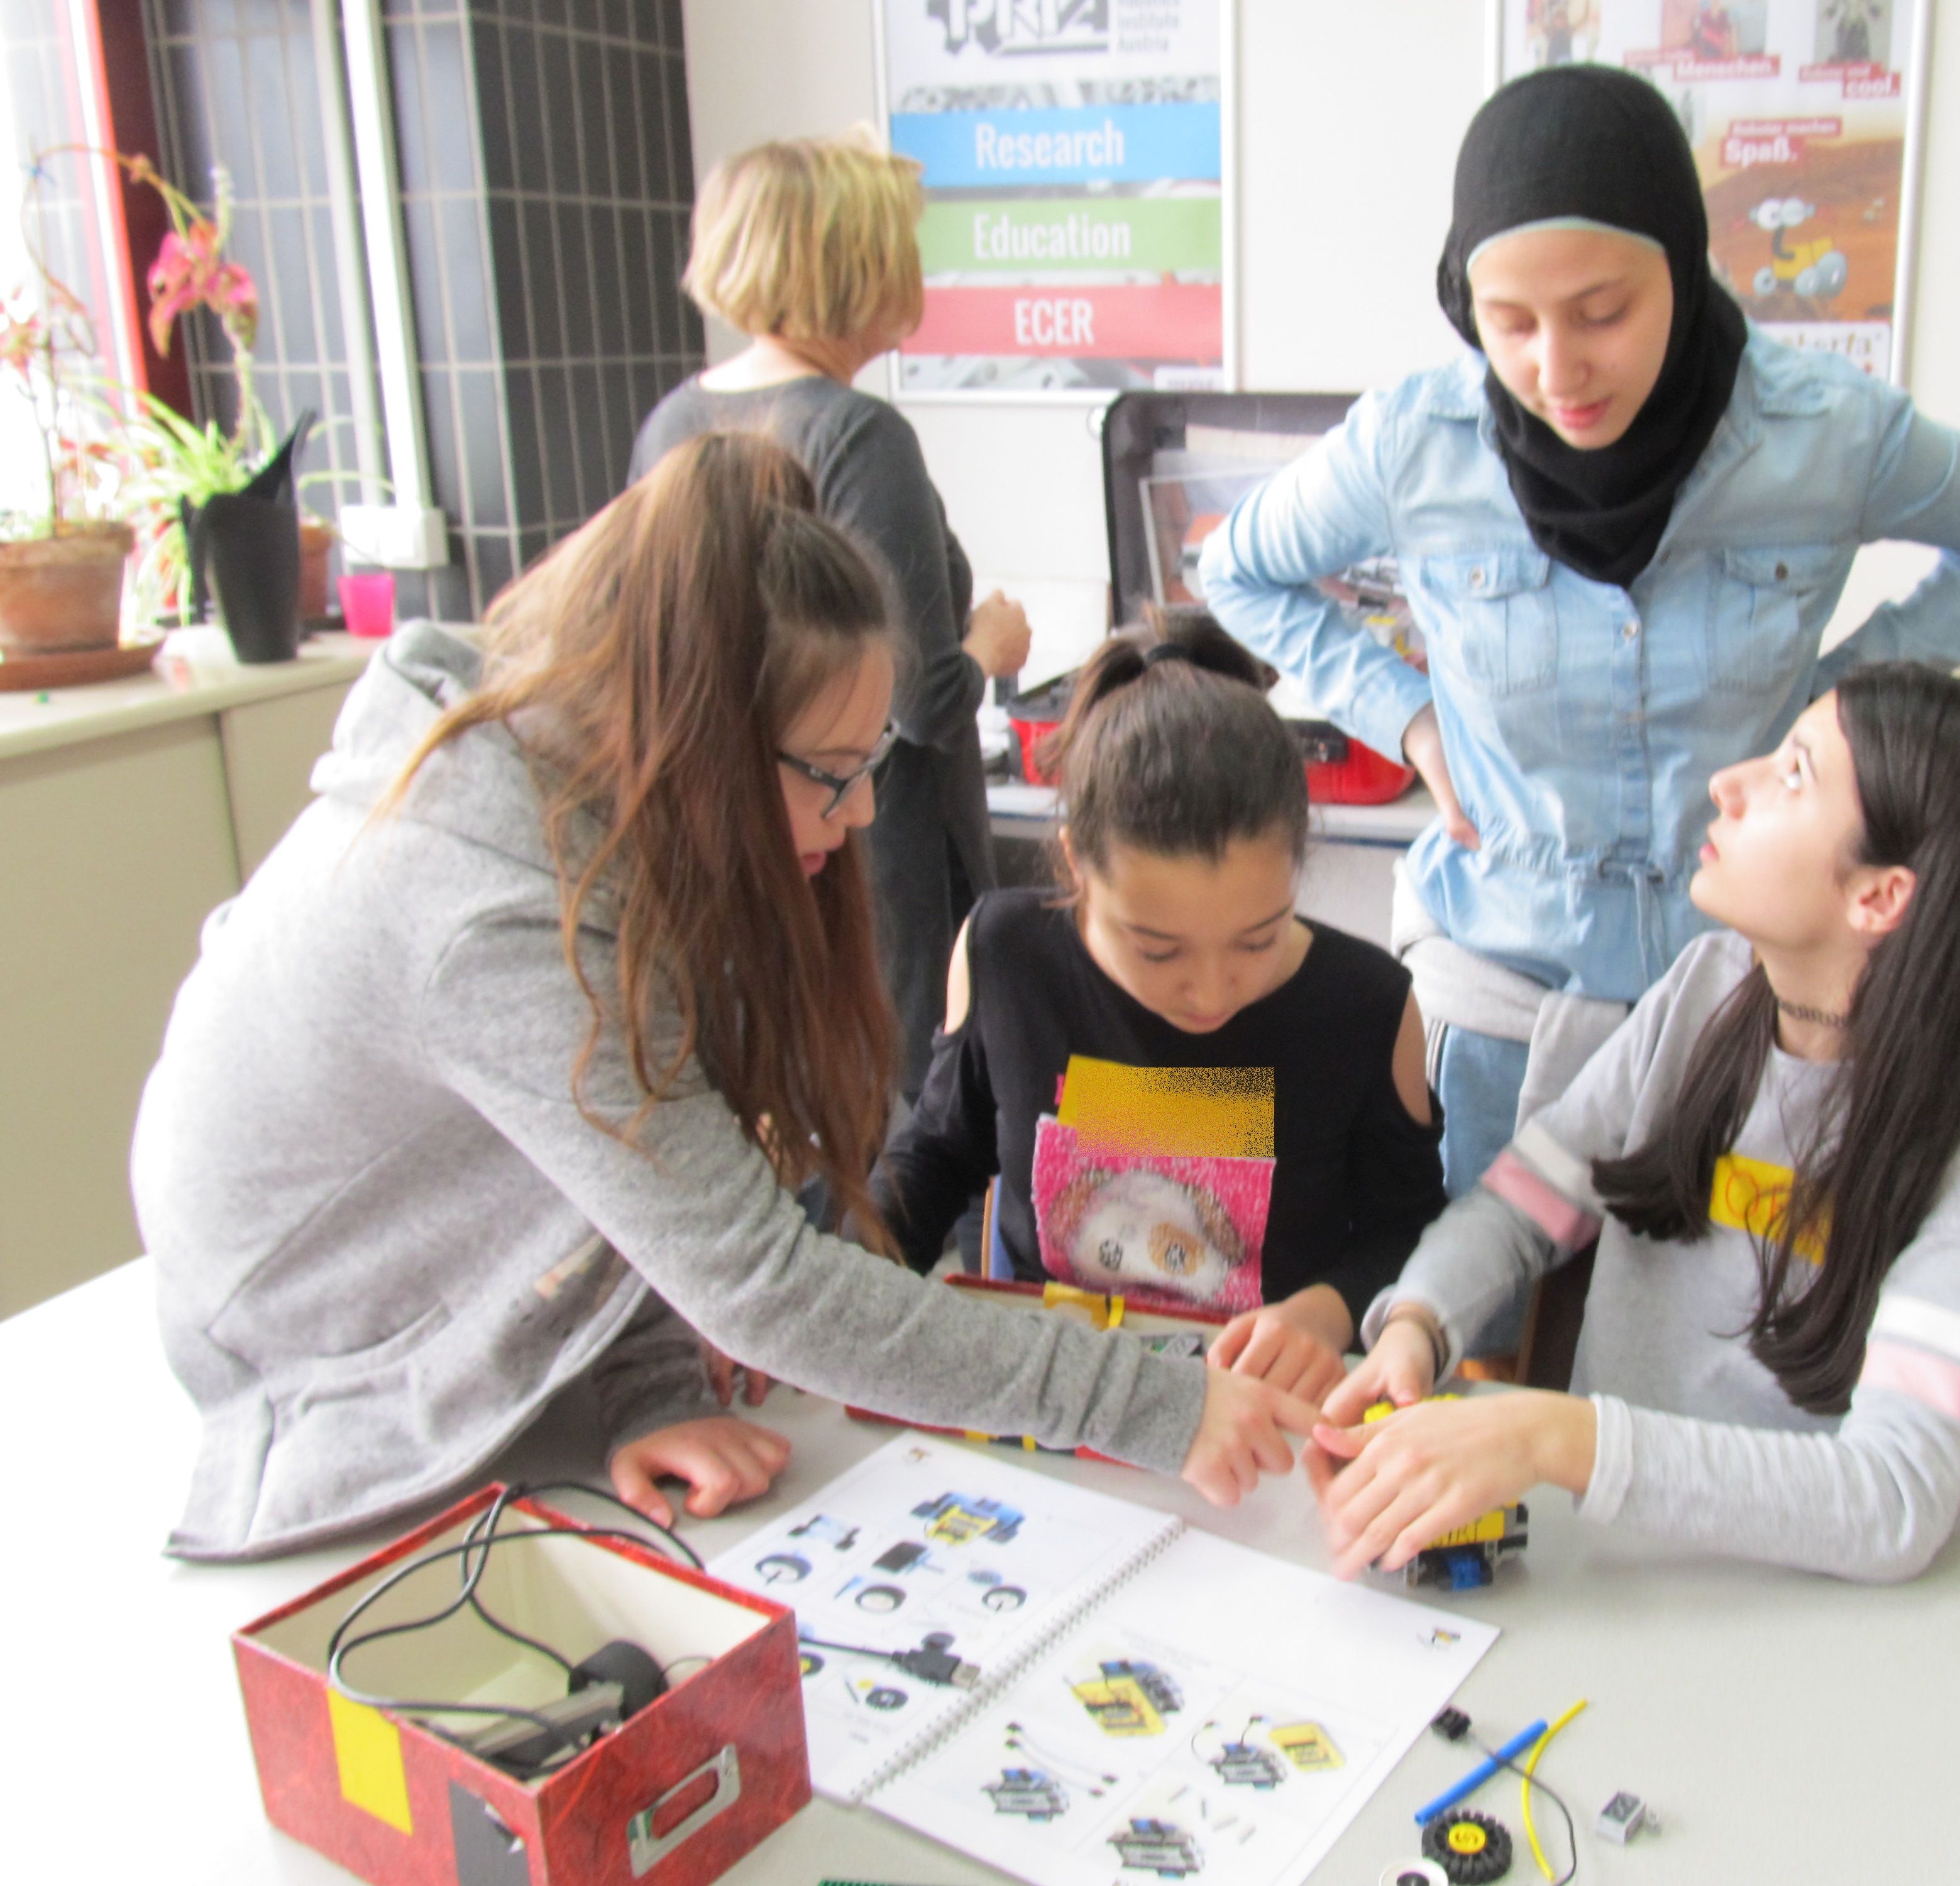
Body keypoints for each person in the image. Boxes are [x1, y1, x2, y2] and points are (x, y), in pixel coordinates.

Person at [131, 435, 1311, 1563]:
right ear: (702, 736)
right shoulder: (490, 914)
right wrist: (1152, 1405)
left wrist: (641, 1383)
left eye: (870, 770)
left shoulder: (598, 797)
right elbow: (761, 1282)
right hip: (310, 1361)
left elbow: (619, 1158)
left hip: (451, 1303)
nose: (858, 816)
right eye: (832, 776)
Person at [1198, 65, 1960, 1354]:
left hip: (1726, 1000)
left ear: (1682, 264)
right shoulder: (1416, 442)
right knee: (1452, 1343)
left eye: (1601, 311)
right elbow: (1236, 567)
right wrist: (1409, 719)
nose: (1557, 368)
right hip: (1496, 987)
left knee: (1699, 1356)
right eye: (1507, 322)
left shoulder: (1821, 433)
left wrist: (1828, 720)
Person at [1306, 664, 1960, 1584]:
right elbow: (1516, 1210)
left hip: (1802, 1604)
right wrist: (1417, 1324)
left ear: (1880, 896)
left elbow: (1892, 1500)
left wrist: (1555, 1432)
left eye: (1794, 774)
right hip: (1617, 1571)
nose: (1731, 782)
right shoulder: (1706, 990)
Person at [874, 614, 1450, 1408]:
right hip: (1052, 1395)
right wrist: (834, 1277)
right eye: (1157, 951)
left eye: (1258, 940)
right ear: (1076, 862)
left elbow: (1411, 1232)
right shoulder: (1006, 957)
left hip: (1263, 1418)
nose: (1210, 993)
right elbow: (934, 1161)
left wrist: (1329, 1312)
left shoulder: (1366, 1007)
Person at [631, 134, 1030, 1096]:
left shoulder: (671, 422)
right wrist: (990, 645)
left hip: (740, 850)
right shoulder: (857, 434)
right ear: (858, 262)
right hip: (872, 860)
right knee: (904, 1120)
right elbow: (926, 700)